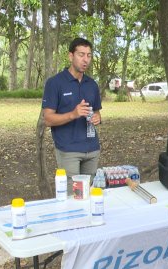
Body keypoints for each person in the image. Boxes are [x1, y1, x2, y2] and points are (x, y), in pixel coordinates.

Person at [42, 37, 102, 189]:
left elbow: (97, 112)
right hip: (68, 150)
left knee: (90, 193)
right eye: (81, 54)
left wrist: (97, 118)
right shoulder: (55, 83)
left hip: (92, 149)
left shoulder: (92, 84)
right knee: (73, 197)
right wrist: (73, 114)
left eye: (89, 55)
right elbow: (48, 119)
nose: (85, 59)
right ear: (71, 56)